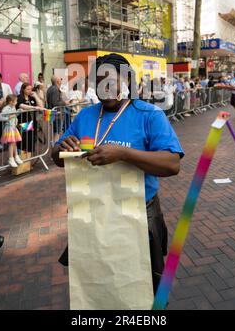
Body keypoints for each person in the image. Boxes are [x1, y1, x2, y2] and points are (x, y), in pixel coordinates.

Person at [52, 53, 184, 295]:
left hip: (138, 217)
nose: (106, 88)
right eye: (99, 82)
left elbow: (172, 164)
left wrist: (125, 154)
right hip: (92, 217)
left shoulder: (150, 115)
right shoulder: (85, 116)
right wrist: (60, 149)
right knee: (98, 288)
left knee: (143, 290)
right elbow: (56, 157)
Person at [16, 83, 42, 153]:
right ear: (23, 89)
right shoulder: (20, 97)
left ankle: (29, 159)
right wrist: (33, 107)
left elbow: (41, 106)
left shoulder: (32, 98)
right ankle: (22, 158)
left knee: (31, 140)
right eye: (28, 89)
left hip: (32, 122)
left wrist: (36, 96)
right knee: (24, 140)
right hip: (23, 121)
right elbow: (21, 105)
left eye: (31, 89)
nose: (30, 91)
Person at [0, 94, 23, 168]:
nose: (16, 102)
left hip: (13, 127)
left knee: (14, 142)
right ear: (10, 101)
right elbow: (2, 117)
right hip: (9, 127)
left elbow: (15, 115)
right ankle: (11, 158)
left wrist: (18, 112)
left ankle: (16, 156)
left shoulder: (13, 107)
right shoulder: (6, 108)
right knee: (11, 143)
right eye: (15, 101)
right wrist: (11, 117)